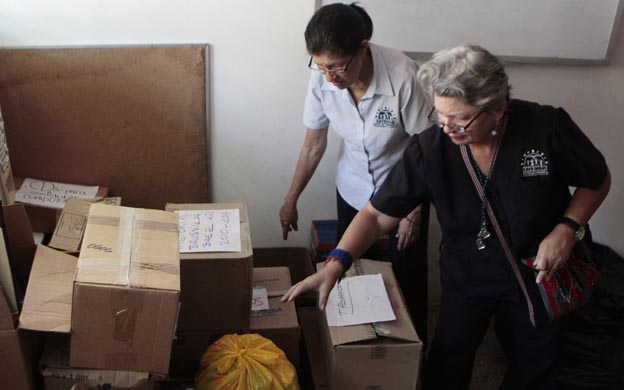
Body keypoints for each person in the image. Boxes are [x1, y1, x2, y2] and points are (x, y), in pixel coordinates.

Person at [282, 44, 611, 389]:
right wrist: (336, 262)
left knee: (536, 361)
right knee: (449, 357)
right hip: (468, 269)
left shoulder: (546, 128)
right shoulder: (431, 148)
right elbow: (377, 214)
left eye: (459, 119)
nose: (448, 128)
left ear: (497, 109)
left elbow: (597, 180)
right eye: (441, 115)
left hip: (541, 271)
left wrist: (568, 228)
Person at [278, 2, 432, 342]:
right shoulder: (323, 77)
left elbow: (428, 151)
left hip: (404, 192)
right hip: (353, 187)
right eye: (321, 68)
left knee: (407, 278)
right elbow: (313, 144)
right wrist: (291, 199)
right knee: (350, 268)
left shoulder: (404, 75)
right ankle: (358, 348)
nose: (330, 79)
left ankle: (410, 352)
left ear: (362, 48)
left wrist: (414, 209)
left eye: (337, 67)